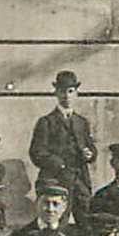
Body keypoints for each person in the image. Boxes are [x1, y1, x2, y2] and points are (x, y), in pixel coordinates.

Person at [29, 70, 96, 217]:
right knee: (58, 222)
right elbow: (36, 152)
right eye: (62, 91)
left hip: (80, 180)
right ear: (56, 93)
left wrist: (90, 154)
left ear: (76, 93)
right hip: (55, 179)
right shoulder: (46, 122)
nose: (67, 96)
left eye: (71, 91)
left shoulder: (82, 122)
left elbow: (90, 147)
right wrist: (60, 165)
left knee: (86, 221)